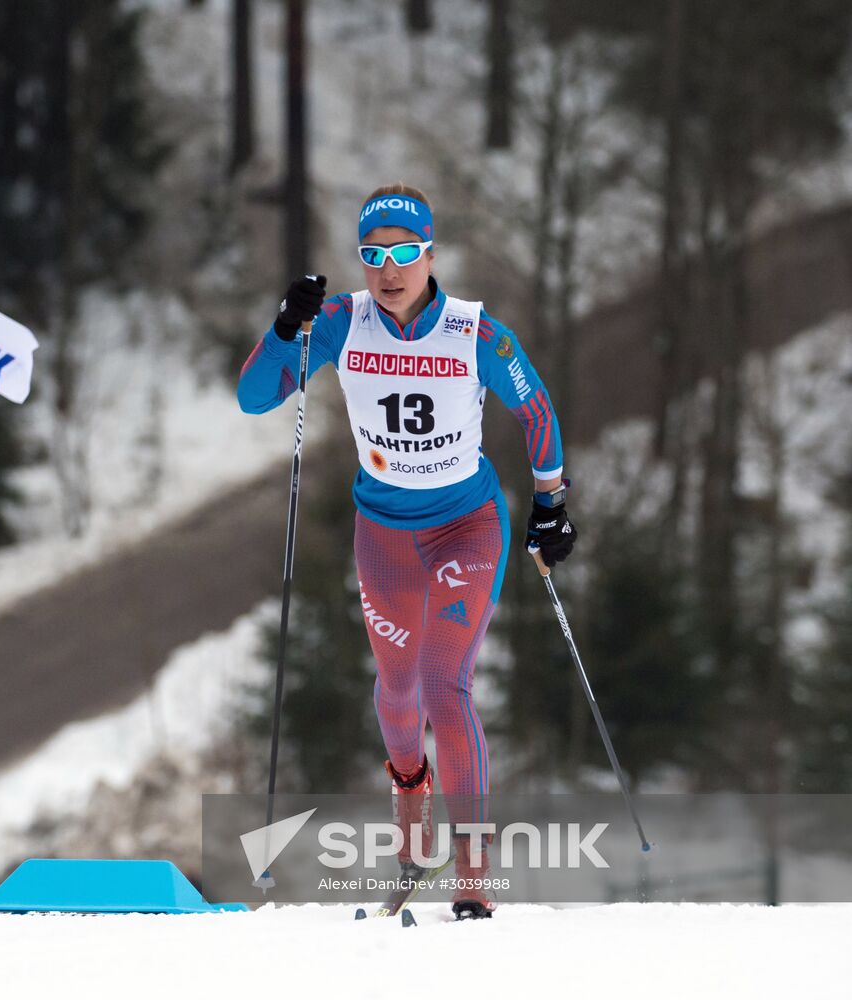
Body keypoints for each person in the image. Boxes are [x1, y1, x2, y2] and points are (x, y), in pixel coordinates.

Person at [237, 184, 576, 919]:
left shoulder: (474, 333)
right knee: (395, 690)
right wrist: (283, 327)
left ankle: (472, 877)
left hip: (467, 527)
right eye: (371, 255)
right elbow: (256, 398)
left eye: (402, 253)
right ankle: (410, 822)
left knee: (442, 681)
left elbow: (536, 407)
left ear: (428, 254)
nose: (387, 270)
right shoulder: (338, 322)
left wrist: (551, 501)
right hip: (384, 533)